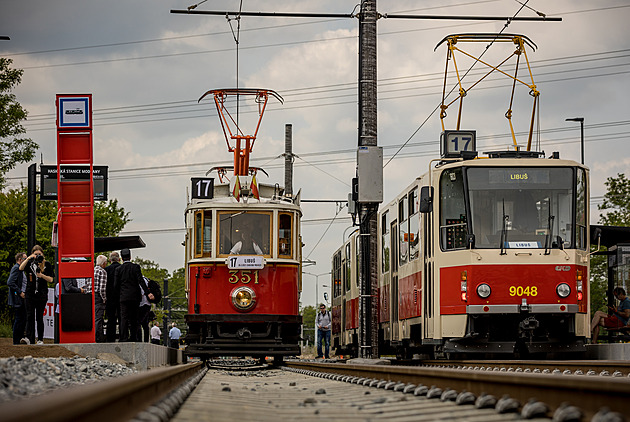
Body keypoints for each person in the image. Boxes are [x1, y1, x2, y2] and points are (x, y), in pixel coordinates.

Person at [116, 248, 153, 342]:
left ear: (121, 258)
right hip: (135, 297)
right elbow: (141, 281)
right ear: (130, 257)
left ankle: (123, 337)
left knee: (124, 317)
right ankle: (133, 337)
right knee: (134, 318)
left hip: (123, 297)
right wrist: (148, 293)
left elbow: (116, 285)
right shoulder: (136, 267)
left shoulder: (118, 269)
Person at [19, 245, 54, 345]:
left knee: (39, 317)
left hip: (41, 294)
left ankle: (40, 339)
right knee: (29, 315)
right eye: (36, 254)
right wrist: (29, 258)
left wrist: (41, 275)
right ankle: (28, 337)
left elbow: (51, 279)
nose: (38, 256)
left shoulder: (46, 264)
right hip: (30, 293)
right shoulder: (30, 263)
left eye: (39, 254)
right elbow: (21, 268)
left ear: (43, 254)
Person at [7, 252, 27, 345]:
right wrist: (19, 292)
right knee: (19, 318)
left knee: (22, 318)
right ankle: (16, 340)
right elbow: (10, 282)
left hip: (21, 298)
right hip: (18, 298)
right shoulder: (16, 268)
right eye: (25, 259)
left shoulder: (21, 270)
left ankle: (19, 339)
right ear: (20, 260)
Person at [105, 251, 122, 342]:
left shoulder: (106, 270)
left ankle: (109, 338)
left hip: (109, 297)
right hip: (120, 297)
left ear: (109, 260)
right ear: (119, 259)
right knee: (121, 318)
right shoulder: (122, 268)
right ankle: (122, 337)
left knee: (111, 319)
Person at [94, 255, 108, 343]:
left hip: (90, 296)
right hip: (98, 297)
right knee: (98, 318)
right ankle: (97, 338)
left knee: (92, 317)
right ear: (103, 263)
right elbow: (102, 288)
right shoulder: (102, 271)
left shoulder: (91, 270)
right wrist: (104, 298)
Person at [137, 276, 152, 342]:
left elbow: (141, 292)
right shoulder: (146, 279)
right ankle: (146, 340)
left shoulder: (141, 280)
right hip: (147, 303)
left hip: (142, 303)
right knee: (145, 324)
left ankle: (139, 340)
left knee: (138, 322)